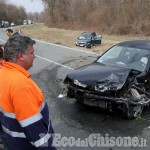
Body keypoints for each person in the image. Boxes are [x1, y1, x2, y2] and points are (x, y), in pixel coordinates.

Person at [0, 35, 56, 150]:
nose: (34, 56)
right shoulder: (21, 86)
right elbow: (36, 131)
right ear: (20, 55)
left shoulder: (3, 73)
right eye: (31, 52)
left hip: (13, 143)